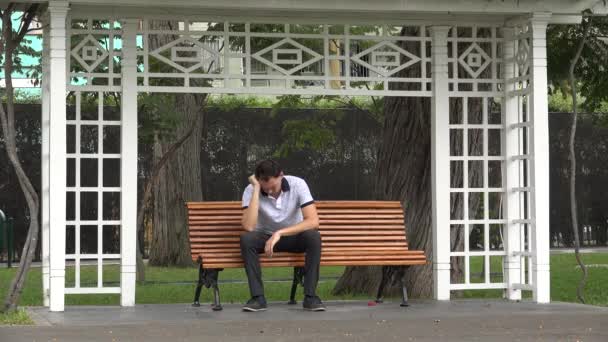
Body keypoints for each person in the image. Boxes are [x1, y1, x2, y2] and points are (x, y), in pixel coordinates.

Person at [240, 159, 325, 312]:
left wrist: (279, 233)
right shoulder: (251, 189)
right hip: (265, 238)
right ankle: (258, 298)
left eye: (272, 186)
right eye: (265, 188)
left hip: (293, 236)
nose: (270, 191)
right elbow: (249, 226)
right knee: (247, 239)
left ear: (281, 176)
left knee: (314, 237)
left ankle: (310, 297)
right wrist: (256, 189)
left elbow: (313, 221)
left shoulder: (298, 184)